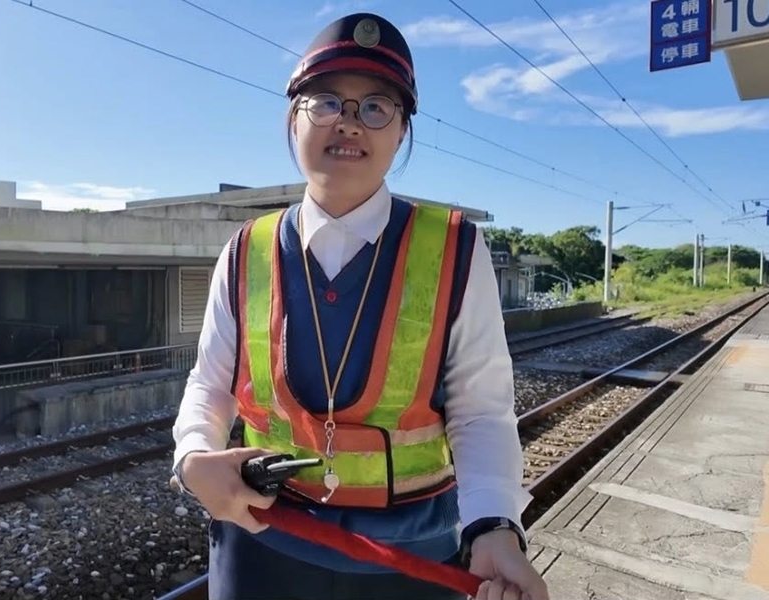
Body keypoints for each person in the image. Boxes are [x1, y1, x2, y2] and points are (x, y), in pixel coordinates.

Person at [171, 11, 549, 600]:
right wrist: (193, 455)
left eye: (376, 106)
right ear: (292, 119)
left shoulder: (455, 248)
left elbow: (481, 409)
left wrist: (495, 525)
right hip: (262, 539)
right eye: (325, 102)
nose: (349, 124)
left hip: (412, 561)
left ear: (402, 132)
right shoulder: (246, 250)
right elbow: (210, 384)